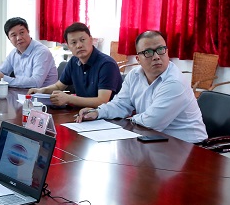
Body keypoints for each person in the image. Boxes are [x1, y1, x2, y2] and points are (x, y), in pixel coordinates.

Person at [76, 31, 207, 143]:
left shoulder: (175, 82)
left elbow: (152, 122)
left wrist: (129, 118)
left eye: (161, 50)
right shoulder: (134, 75)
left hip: (188, 147)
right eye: (148, 52)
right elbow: (121, 104)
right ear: (138, 59)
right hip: (155, 140)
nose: (156, 57)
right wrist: (98, 112)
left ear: (167, 52)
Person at [28, 22, 122, 107]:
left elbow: (102, 101)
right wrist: (41, 91)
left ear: (91, 40)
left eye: (82, 40)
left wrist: (69, 99)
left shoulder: (107, 64)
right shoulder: (74, 61)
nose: (79, 45)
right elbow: (59, 86)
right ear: (68, 46)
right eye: (73, 42)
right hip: (83, 113)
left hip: (108, 116)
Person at [0, 17, 58, 88]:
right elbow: (1, 71)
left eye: (22, 33)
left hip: (43, 94)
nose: (19, 38)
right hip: (21, 92)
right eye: (14, 35)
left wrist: (4, 79)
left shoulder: (42, 52)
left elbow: (36, 82)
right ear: (9, 39)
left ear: (28, 32)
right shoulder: (14, 53)